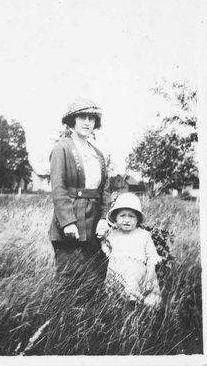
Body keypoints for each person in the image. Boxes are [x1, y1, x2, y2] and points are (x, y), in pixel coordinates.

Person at [49, 98, 110, 302]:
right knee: (68, 281)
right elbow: (59, 188)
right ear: (72, 120)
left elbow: (105, 190)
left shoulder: (98, 154)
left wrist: (104, 219)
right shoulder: (62, 148)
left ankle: (89, 329)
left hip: (94, 225)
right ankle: (63, 326)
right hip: (71, 223)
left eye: (92, 118)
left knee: (94, 280)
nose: (87, 122)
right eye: (82, 117)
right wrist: (68, 221)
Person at [103, 192, 162, 308]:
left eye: (131, 216)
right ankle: (116, 313)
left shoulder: (144, 235)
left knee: (138, 301)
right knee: (116, 301)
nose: (126, 220)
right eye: (122, 215)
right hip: (116, 275)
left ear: (138, 219)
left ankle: (137, 312)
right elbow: (106, 249)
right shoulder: (112, 235)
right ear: (115, 217)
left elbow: (152, 257)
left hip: (137, 276)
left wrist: (150, 275)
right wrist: (102, 240)